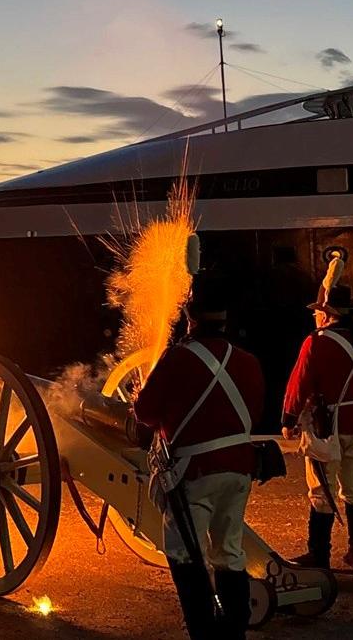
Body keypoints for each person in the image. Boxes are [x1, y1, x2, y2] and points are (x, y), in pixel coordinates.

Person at [134, 270, 264, 640]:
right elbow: (252, 413)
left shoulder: (176, 359)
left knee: (183, 553)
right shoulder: (249, 362)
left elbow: (145, 413)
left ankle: (204, 631)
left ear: (190, 316)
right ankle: (233, 632)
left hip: (194, 473)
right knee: (229, 552)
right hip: (239, 469)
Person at [280, 256, 353, 570]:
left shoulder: (315, 344)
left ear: (325, 314)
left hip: (324, 429)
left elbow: (297, 385)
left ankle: (319, 554)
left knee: (321, 491)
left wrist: (288, 419)